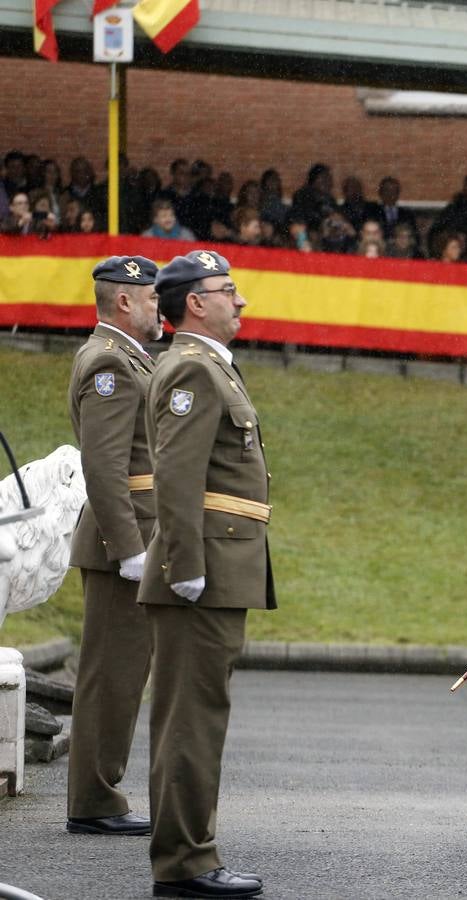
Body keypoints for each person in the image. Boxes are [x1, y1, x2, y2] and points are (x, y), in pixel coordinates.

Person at [140, 249, 274, 898]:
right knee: (190, 721)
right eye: (228, 290)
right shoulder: (192, 371)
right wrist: (185, 567)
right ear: (195, 302)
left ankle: (191, 854)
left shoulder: (209, 369)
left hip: (221, 566)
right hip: (204, 571)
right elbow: (177, 475)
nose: (240, 301)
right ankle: (187, 864)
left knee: (197, 717)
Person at [64, 256, 162, 838]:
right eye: (151, 298)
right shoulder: (109, 363)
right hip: (118, 539)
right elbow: (103, 464)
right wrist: (127, 547)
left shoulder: (129, 359)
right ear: (124, 300)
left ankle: (99, 793)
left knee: (124, 672)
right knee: (113, 674)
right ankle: (94, 800)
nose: (159, 307)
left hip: (131, 532)